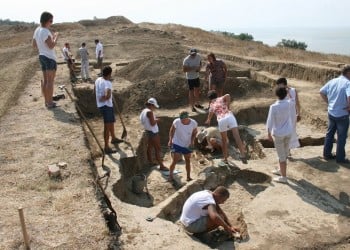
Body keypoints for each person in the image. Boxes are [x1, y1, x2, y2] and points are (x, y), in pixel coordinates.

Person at [205, 90, 247, 164]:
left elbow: (210, 114)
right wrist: (228, 106)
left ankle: (225, 159)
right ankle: (243, 155)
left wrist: (208, 120)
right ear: (216, 95)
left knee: (224, 141)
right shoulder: (221, 98)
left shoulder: (211, 104)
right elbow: (227, 95)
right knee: (237, 136)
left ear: (209, 98)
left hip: (221, 120)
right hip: (229, 116)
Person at [320, 66, 350, 163]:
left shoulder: (332, 81)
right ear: (348, 73)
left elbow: (321, 92)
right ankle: (340, 158)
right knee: (341, 137)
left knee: (329, 134)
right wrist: (349, 106)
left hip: (331, 112)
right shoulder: (348, 83)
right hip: (342, 114)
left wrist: (328, 103)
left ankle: (326, 154)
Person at [266, 86, 294, 183]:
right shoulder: (289, 103)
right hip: (288, 132)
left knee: (281, 156)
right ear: (285, 94)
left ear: (276, 95)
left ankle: (284, 177)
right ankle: (280, 170)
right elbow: (292, 99)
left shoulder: (273, 107)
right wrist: (288, 91)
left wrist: (268, 133)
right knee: (284, 153)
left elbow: (270, 121)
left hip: (278, 134)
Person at [32, 11, 59, 109]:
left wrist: (42, 47)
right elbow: (51, 46)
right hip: (49, 58)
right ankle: (50, 102)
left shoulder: (37, 30)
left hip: (42, 56)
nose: (51, 23)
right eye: (51, 21)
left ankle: (46, 101)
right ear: (47, 21)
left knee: (46, 80)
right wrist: (55, 37)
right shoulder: (45, 31)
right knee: (50, 82)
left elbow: (34, 45)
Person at [94, 66, 122, 154]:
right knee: (107, 126)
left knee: (111, 122)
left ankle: (113, 138)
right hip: (106, 106)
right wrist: (106, 97)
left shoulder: (98, 79)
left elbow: (94, 89)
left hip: (102, 105)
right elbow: (108, 95)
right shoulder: (107, 83)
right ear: (109, 74)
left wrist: (99, 97)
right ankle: (106, 147)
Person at [168, 111, 198, 182]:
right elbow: (171, 130)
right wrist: (170, 140)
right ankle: (170, 176)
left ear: (187, 118)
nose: (182, 121)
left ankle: (188, 177)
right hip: (177, 143)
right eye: (181, 119)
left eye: (183, 119)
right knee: (175, 160)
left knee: (187, 160)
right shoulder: (176, 122)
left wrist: (192, 141)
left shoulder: (193, 123)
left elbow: (195, 132)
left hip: (187, 144)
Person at [140, 98, 168, 171]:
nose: (155, 108)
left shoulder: (144, 111)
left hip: (148, 131)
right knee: (157, 148)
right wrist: (157, 120)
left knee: (150, 146)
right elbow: (152, 123)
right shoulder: (150, 112)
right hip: (153, 132)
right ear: (151, 105)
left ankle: (151, 162)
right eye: (154, 106)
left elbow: (146, 121)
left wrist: (154, 119)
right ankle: (161, 166)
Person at [276, 77, 300, 152]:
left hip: (292, 116)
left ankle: (287, 150)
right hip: (283, 116)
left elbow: (297, 103)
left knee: (291, 132)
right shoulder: (280, 92)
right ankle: (286, 150)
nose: (278, 87)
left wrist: (298, 113)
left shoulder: (293, 90)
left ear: (284, 84)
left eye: (279, 85)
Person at [183, 48, 203, 112]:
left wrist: (199, 68)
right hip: (190, 78)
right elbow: (184, 70)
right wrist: (193, 68)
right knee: (191, 92)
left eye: (194, 54)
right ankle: (192, 106)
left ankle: (197, 104)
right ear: (189, 53)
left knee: (197, 90)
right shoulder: (186, 60)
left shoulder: (199, 56)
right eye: (192, 54)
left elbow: (200, 63)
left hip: (196, 76)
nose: (193, 55)